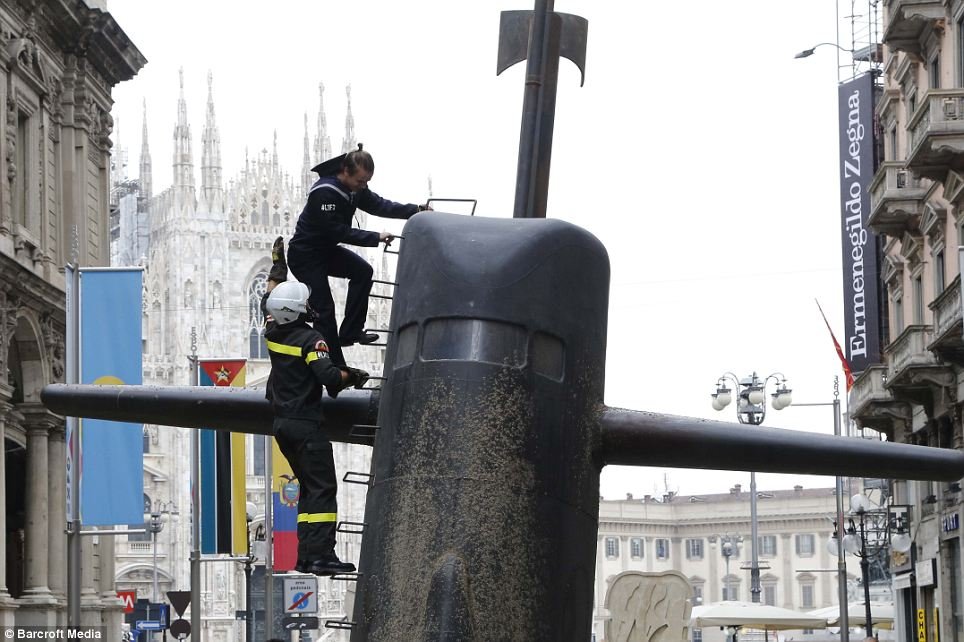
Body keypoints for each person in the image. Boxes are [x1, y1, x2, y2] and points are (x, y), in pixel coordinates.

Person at [287, 143, 431, 366]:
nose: (363, 186)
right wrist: (375, 237)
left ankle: (350, 332)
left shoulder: (354, 189)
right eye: (360, 181)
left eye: (366, 182)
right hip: (305, 256)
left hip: (324, 251)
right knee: (324, 309)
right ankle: (334, 366)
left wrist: (415, 210)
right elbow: (336, 231)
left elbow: (380, 205)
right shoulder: (324, 192)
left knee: (363, 271)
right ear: (345, 171)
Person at [263, 279, 369, 575]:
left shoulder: (272, 333)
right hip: (306, 426)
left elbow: (267, 303)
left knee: (309, 489)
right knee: (323, 489)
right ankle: (322, 554)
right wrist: (353, 376)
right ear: (297, 310)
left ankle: (306, 556)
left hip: (282, 426)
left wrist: (276, 273)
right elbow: (330, 378)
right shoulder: (310, 341)